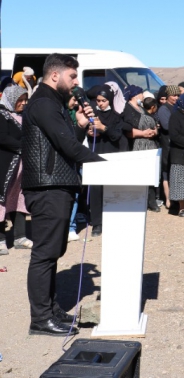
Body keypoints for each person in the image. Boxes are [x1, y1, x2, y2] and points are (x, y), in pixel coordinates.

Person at [21, 53, 104, 336]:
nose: (76, 82)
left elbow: (64, 141)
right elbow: (67, 146)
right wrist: (107, 166)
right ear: (55, 75)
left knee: (54, 252)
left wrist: (80, 124)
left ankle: (51, 309)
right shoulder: (44, 103)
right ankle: (40, 319)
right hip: (47, 188)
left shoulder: (52, 104)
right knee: (45, 254)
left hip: (57, 185)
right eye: (72, 76)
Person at [86, 84, 126, 236]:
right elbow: (88, 133)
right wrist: (90, 132)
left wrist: (103, 128)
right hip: (96, 156)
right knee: (96, 190)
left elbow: (116, 135)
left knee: (111, 190)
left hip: (111, 156)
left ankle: (112, 220)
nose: (100, 103)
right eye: (98, 100)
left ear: (109, 100)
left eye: (103, 100)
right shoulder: (93, 114)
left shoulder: (116, 116)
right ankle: (97, 223)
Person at [0, 84, 31, 254]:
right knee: (1, 201)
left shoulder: (22, 116)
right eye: (20, 100)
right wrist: (24, 146)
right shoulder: (2, 115)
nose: (23, 103)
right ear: (11, 99)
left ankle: (20, 236)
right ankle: (1, 239)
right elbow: (2, 137)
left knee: (20, 199)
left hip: (21, 167)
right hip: (5, 167)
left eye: (25, 100)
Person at [157, 85, 181, 207]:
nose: (176, 98)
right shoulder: (163, 109)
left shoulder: (177, 108)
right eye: (173, 95)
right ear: (168, 96)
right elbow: (166, 126)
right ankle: (168, 199)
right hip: (167, 144)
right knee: (166, 171)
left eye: (178, 95)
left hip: (177, 144)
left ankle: (177, 198)